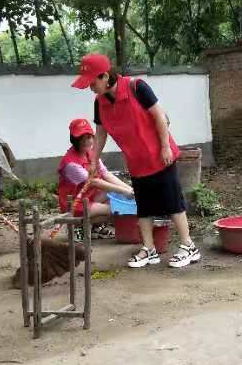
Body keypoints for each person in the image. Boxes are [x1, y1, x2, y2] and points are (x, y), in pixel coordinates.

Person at [71, 53, 201, 269]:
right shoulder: (99, 102)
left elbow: (159, 116)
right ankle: (149, 249)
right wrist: (94, 161)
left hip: (160, 156)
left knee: (173, 201)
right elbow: (100, 133)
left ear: (104, 76)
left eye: (92, 82)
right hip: (136, 160)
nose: (90, 87)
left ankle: (188, 246)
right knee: (144, 207)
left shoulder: (137, 87)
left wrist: (165, 146)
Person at [57, 118, 135, 239]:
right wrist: (124, 191)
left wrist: (130, 190)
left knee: (115, 198)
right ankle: (77, 229)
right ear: (74, 140)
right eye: (81, 137)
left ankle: (93, 228)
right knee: (115, 209)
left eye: (89, 137)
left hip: (88, 196)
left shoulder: (92, 153)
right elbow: (94, 182)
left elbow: (106, 174)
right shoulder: (70, 163)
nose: (87, 141)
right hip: (75, 205)